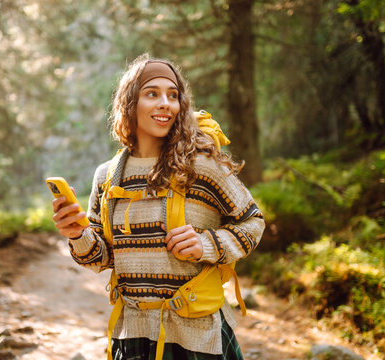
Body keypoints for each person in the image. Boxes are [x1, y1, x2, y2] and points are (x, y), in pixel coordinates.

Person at [52, 54, 265, 360]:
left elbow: (253, 222)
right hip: (134, 337)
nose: (166, 103)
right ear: (129, 104)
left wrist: (207, 244)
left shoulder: (202, 166)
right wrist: (77, 233)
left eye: (173, 95)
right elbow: (101, 258)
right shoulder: (107, 176)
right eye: (152, 94)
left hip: (197, 337)